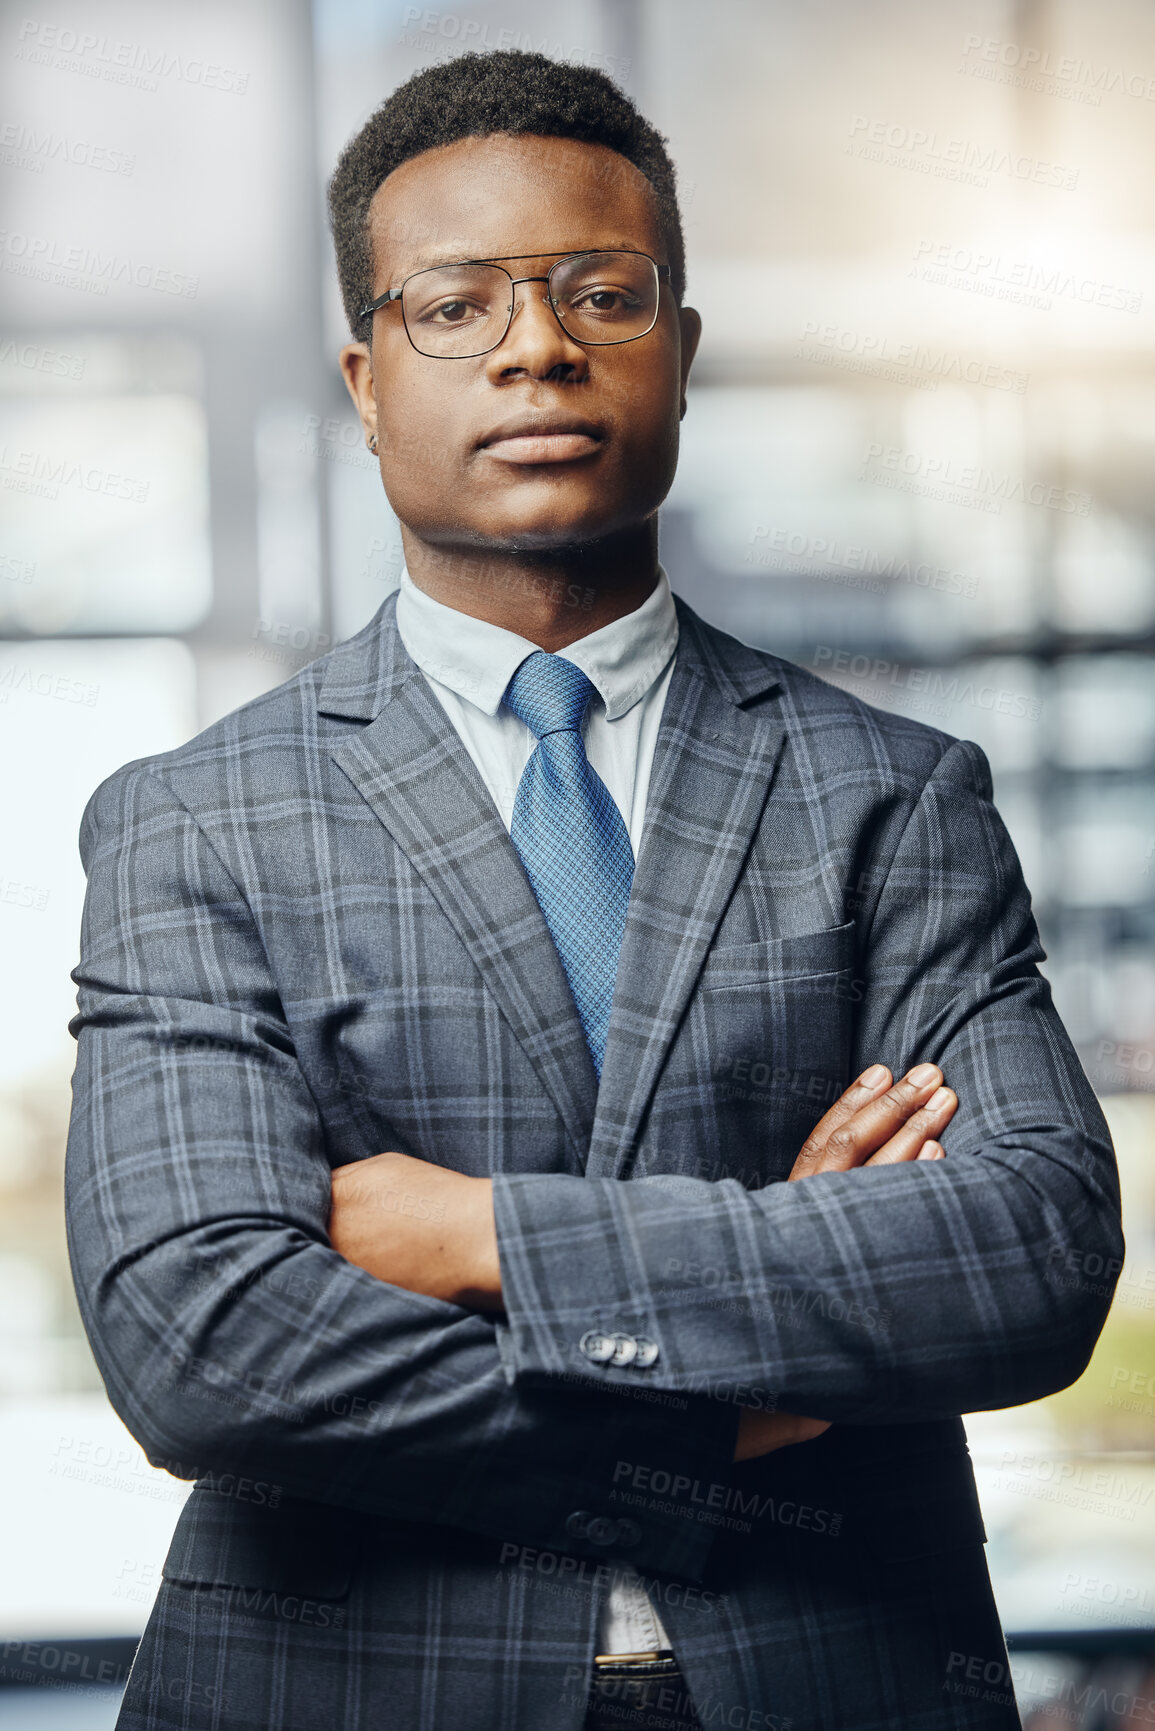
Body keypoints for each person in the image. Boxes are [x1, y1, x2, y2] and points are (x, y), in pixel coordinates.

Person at [64, 49, 1122, 1731]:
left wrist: (467, 1231)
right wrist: (724, 1417)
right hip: (340, 1689)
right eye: (455, 307)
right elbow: (205, 1341)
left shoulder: (894, 799)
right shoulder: (197, 821)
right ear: (361, 378)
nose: (536, 346)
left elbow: (1026, 1257)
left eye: (599, 293)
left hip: (838, 1678)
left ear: (680, 352)